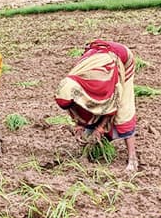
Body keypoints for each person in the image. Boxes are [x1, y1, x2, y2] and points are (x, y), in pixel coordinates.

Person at [55, 40, 139, 172]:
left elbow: (112, 103)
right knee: (88, 108)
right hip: (98, 59)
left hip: (119, 60)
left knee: (123, 110)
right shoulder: (71, 85)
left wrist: (100, 128)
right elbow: (71, 106)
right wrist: (78, 125)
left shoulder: (100, 80)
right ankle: (90, 149)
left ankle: (133, 159)